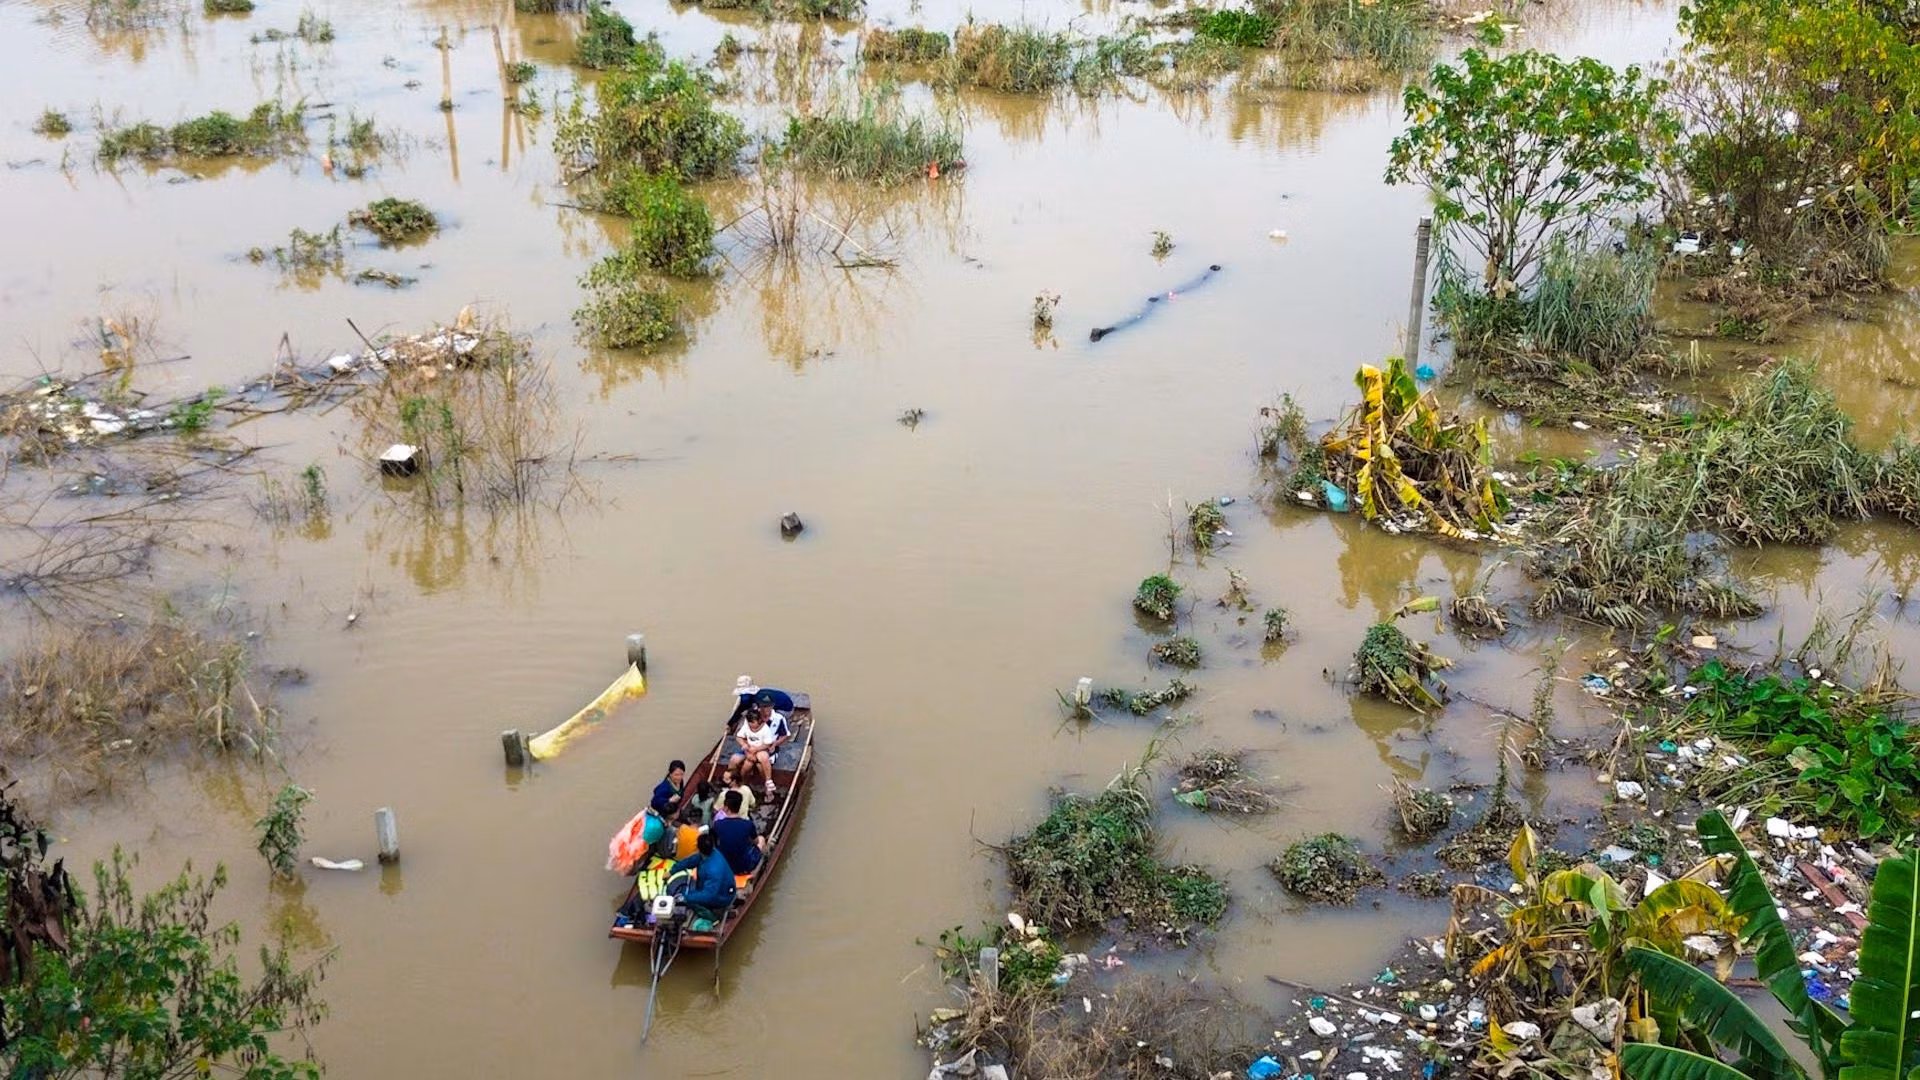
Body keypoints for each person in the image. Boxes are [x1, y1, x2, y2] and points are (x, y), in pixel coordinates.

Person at [666, 830, 735, 915]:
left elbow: (708, 895)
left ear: (698, 848)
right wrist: (671, 871)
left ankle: (714, 915)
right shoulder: (710, 853)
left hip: (722, 896)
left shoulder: (713, 871)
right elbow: (690, 861)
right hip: (712, 887)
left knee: (690, 901)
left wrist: (685, 898)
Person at [729, 708, 781, 797]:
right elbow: (739, 737)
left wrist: (756, 749)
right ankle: (734, 781)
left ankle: (768, 782)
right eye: (749, 722)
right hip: (748, 750)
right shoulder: (746, 727)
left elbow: (767, 744)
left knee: (761, 760)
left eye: (752, 722)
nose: (750, 724)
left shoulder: (765, 729)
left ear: (759, 721)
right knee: (735, 760)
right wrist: (745, 746)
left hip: (760, 750)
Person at [709, 790, 765, 874]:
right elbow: (756, 841)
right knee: (761, 839)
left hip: (724, 865)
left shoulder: (717, 824)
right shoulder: (748, 824)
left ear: (726, 808)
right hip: (744, 865)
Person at [727, 675, 796, 727]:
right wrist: (730, 723)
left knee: (758, 721)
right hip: (784, 703)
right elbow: (741, 708)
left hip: (786, 711)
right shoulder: (757, 694)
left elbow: (742, 708)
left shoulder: (761, 699)